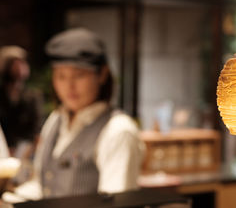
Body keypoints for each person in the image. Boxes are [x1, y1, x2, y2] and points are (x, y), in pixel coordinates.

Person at [3, 28, 144, 202]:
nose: (69, 86)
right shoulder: (56, 120)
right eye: (61, 76)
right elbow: (42, 186)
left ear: (102, 74)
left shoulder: (118, 130)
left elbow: (117, 204)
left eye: (79, 75)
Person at [0, 46, 42, 153]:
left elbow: (36, 130)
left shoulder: (32, 96)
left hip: (25, 150)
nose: (20, 68)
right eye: (15, 63)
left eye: (22, 63)